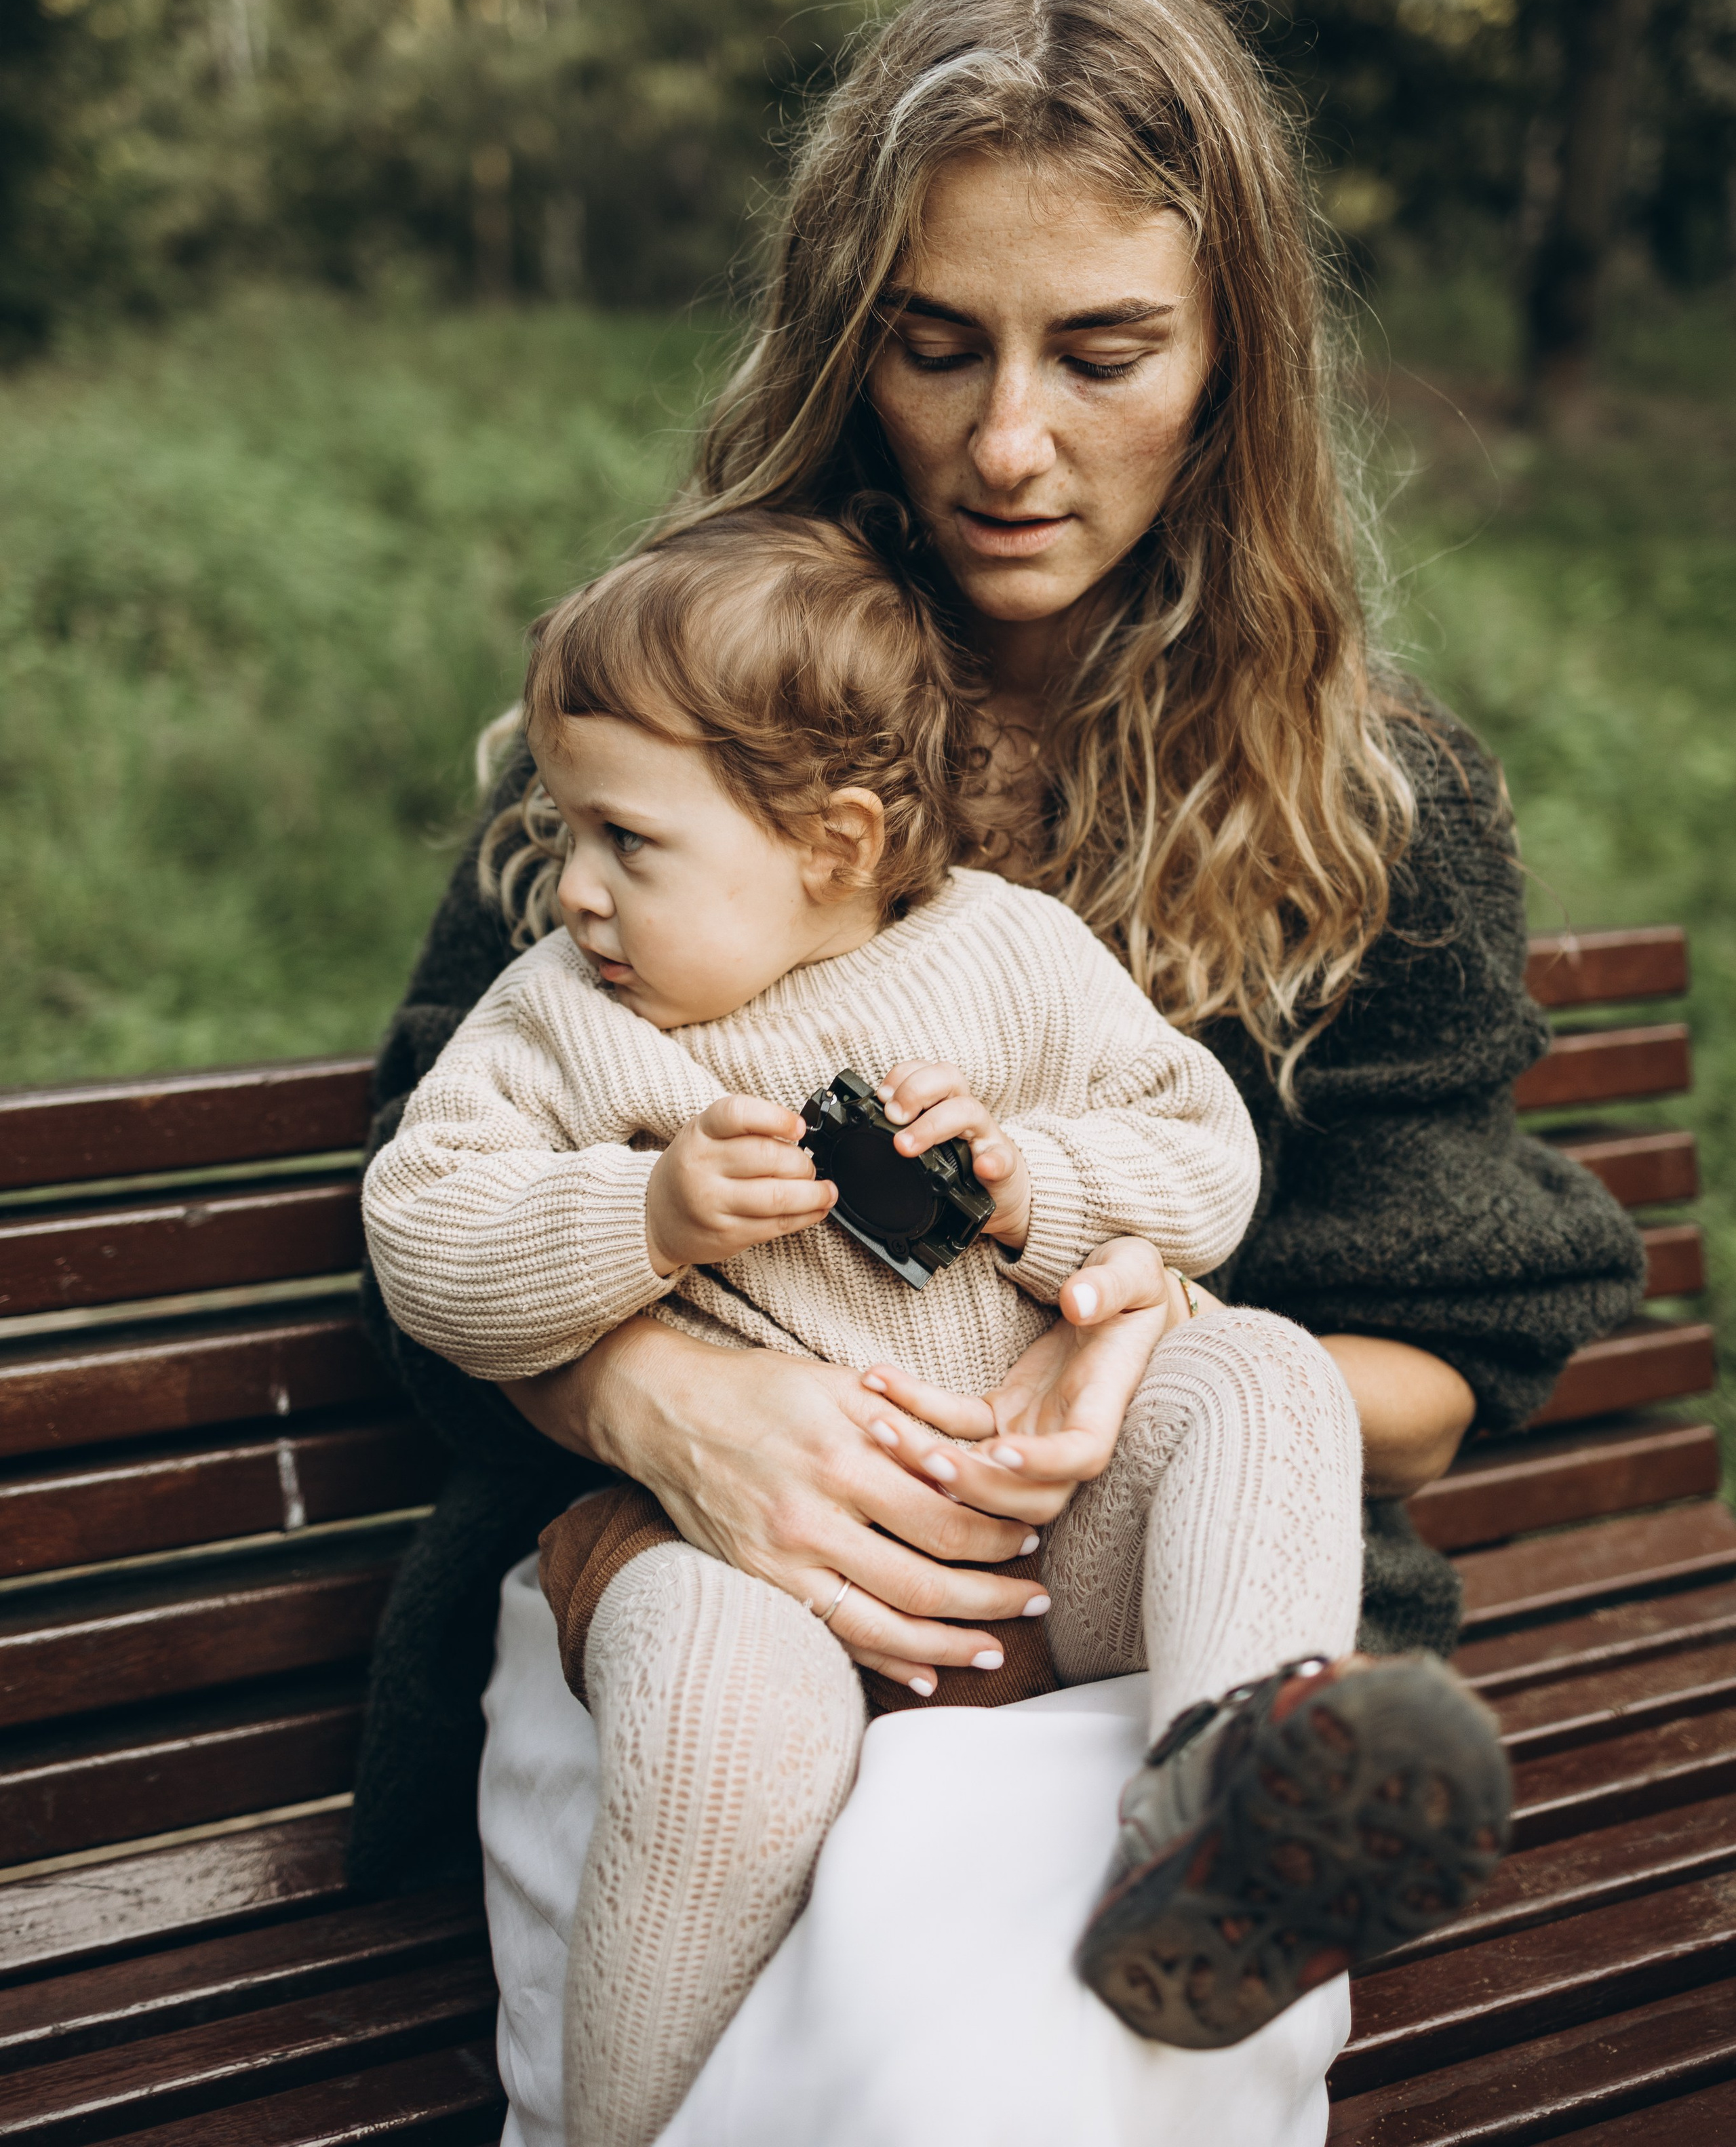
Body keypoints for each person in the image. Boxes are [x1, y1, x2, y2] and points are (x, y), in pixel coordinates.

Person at [349, 0, 1644, 2142]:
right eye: (936, 348)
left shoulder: (1369, 802)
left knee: (1033, 2069)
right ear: (852, 344)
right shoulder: (664, 732)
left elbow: (1452, 1348)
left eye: (1106, 352)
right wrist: (660, 1404)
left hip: (1131, 1634)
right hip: (694, 1601)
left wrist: (1125, 1366)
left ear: (1235, 361)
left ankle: (1241, 1812)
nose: (1008, 442)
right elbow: (427, 1204)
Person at [363, 511, 1509, 2147]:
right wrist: (643, 1219)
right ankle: (613, 2123)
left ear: (831, 842)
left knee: (1256, 1376)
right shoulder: (557, 1017)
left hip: (1039, 1526)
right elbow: (424, 1234)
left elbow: (1199, 1156)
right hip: (747, 1567)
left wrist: (1031, 1183)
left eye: (628, 841)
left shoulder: (1010, 958)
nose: (576, 889)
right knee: (715, 1704)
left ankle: (1234, 1808)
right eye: (566, 833)